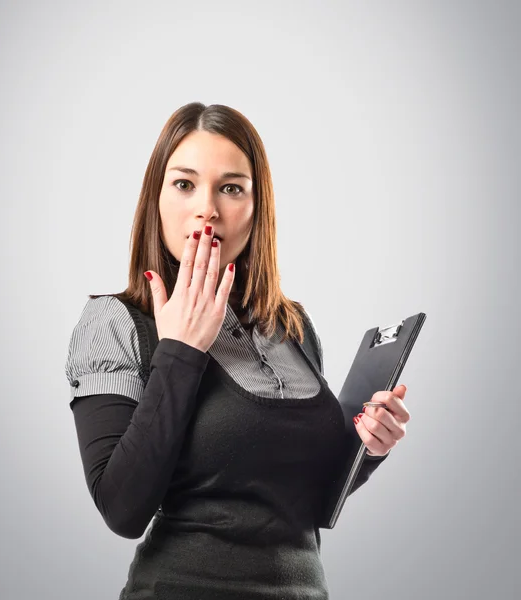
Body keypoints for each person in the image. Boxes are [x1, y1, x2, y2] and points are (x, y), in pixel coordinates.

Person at [65, 102, 410, 599]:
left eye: (231, 188)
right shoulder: (117, 322)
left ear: (256, 206)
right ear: (156, 199)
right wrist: (181, 350)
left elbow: (304, 501)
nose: (207, 208)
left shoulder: (289, 324)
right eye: (184, 184)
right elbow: (123, 510)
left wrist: (369, 449)